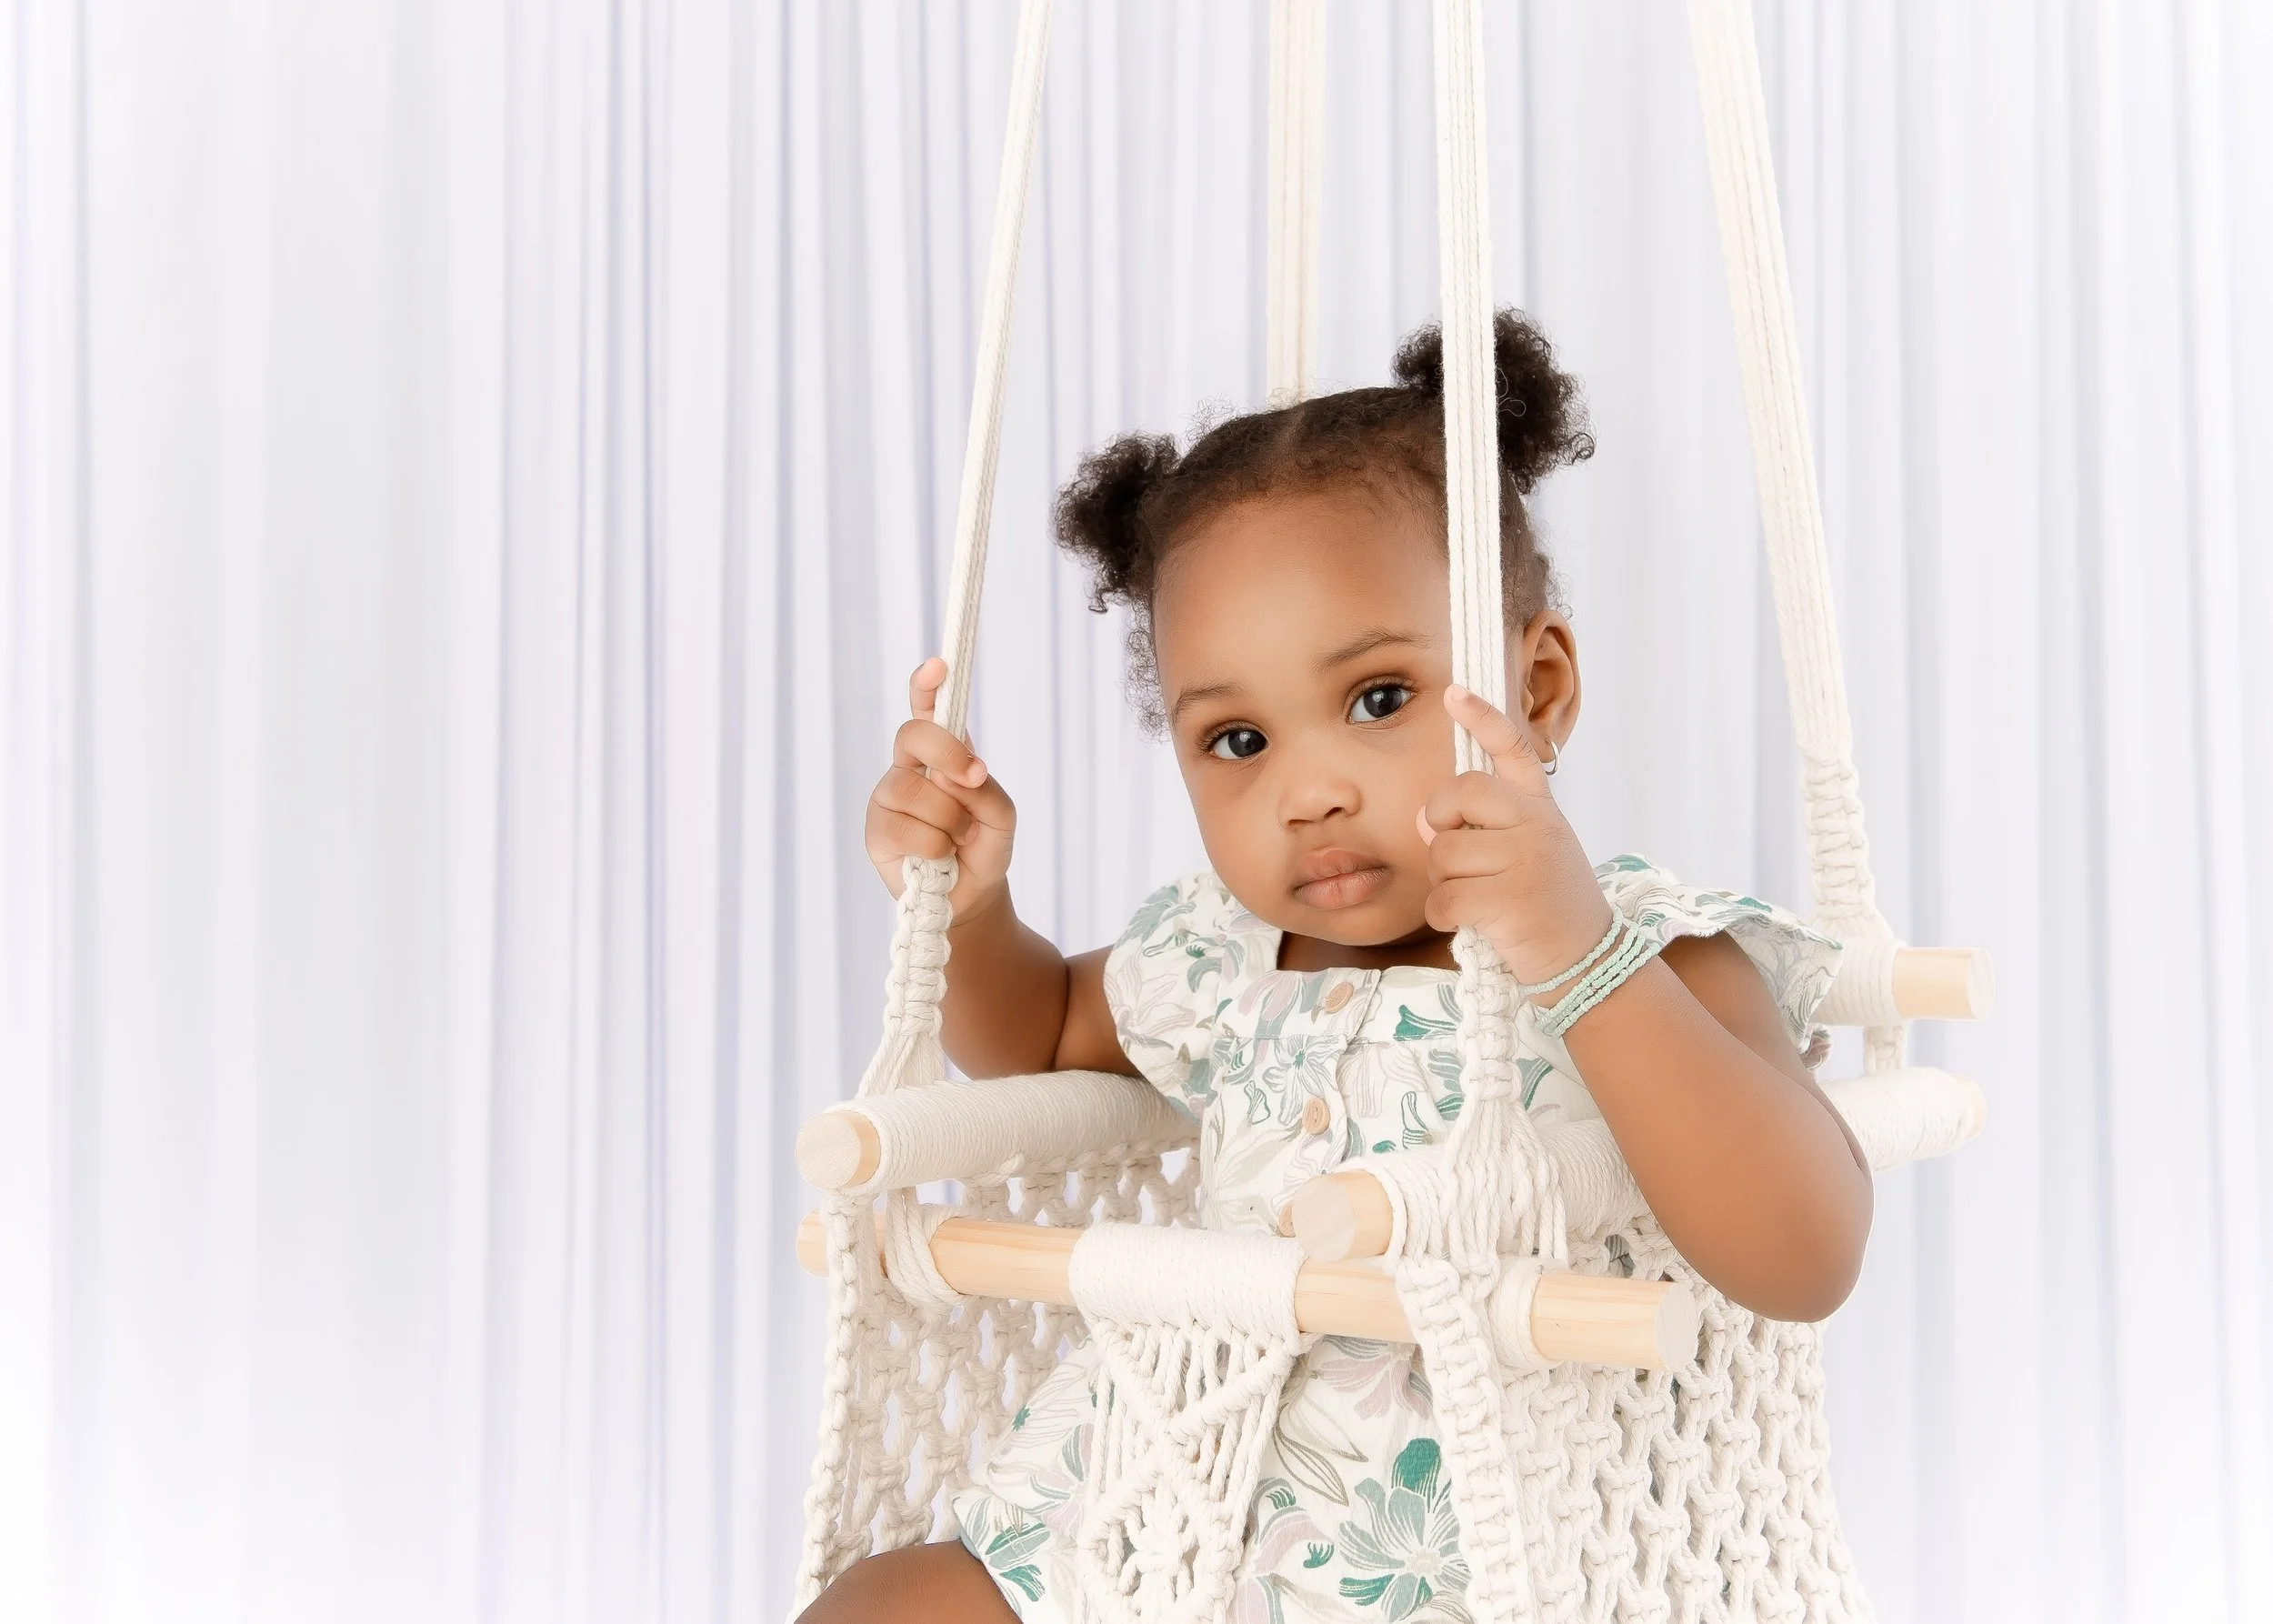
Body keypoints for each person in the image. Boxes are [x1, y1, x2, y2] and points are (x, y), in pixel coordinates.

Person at [806, 311, 1873, 1624]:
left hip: (1459, 1543)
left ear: (1536, 689)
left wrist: (1576, 959)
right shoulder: (1217, 954)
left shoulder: (1651, 950)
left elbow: (1805, 1250)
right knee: (879, 1603)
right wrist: (972, 909)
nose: (1307, 790)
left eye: (1376, 700)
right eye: (1239, 738)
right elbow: (1031, 1031)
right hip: (1161, 1489)